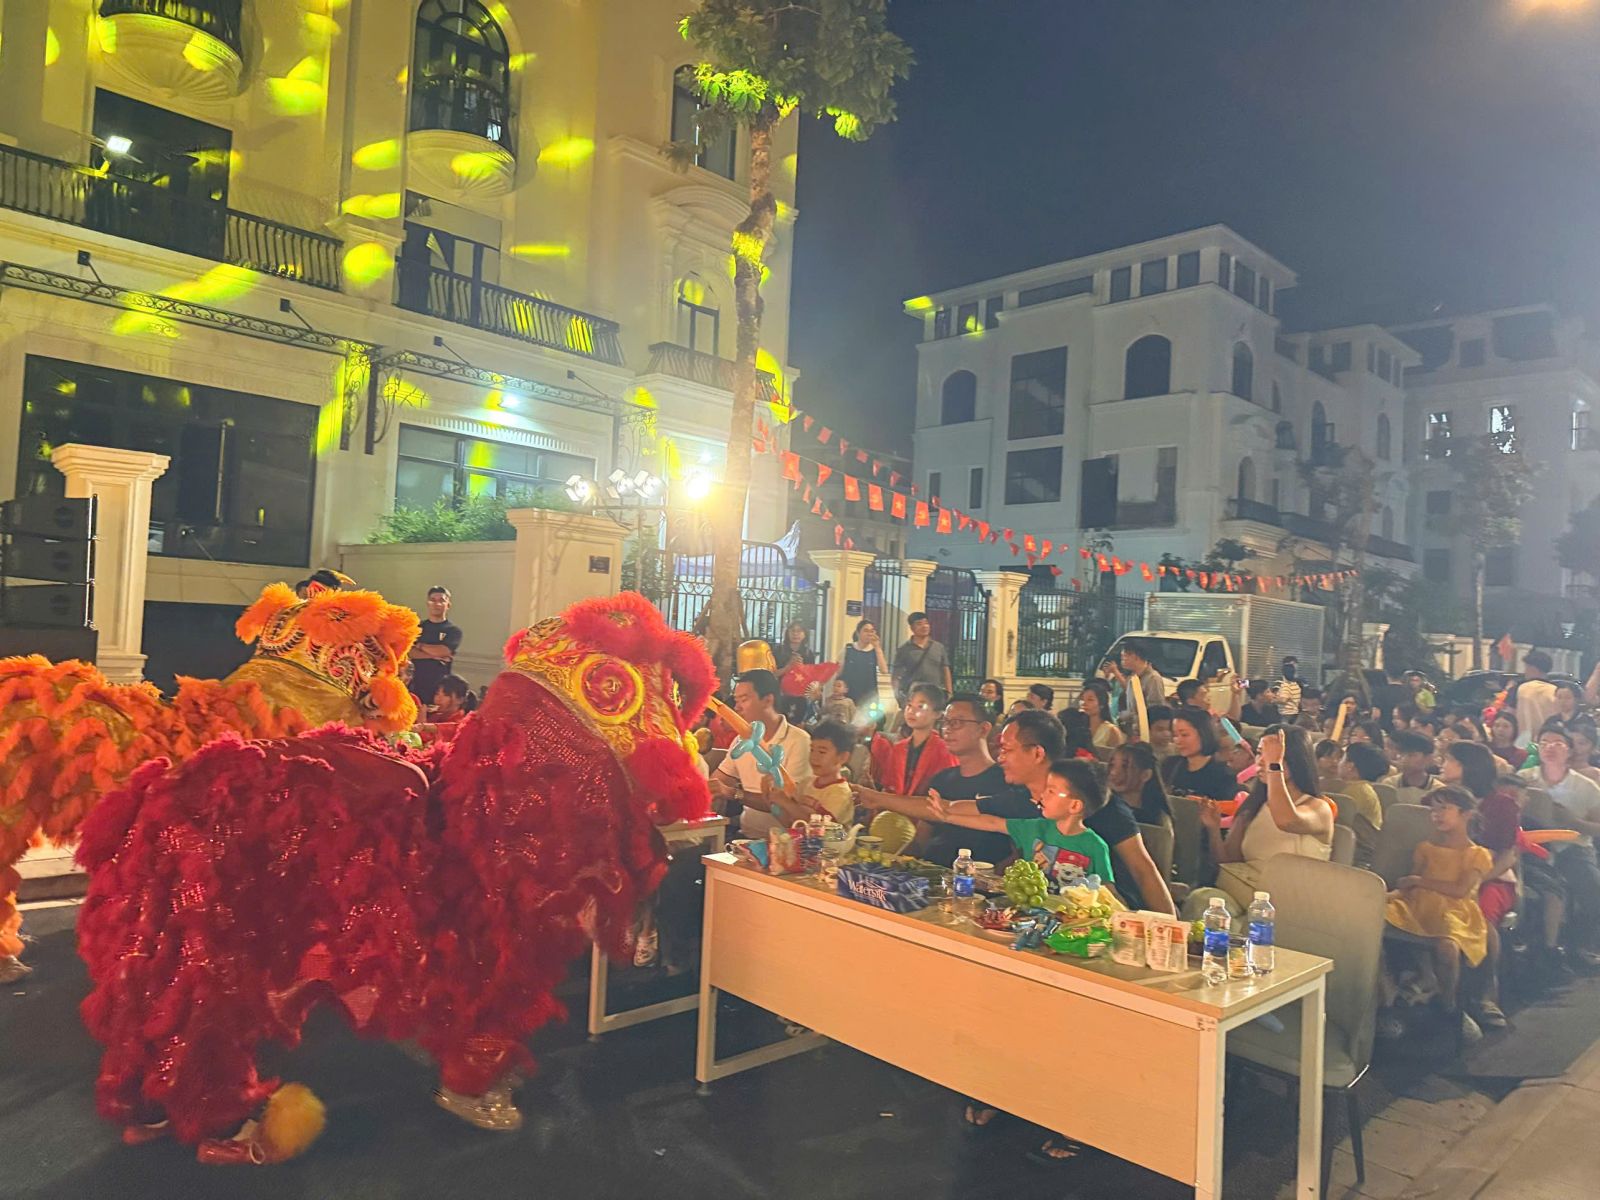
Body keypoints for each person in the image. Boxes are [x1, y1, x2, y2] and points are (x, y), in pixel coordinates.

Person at [927, 752, 1117, 1160]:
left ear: (1075, 804)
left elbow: (1107, 896)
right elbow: (992, 822)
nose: (1042, 795)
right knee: (1011, 1021)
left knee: (1060, 1035)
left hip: (1069, 948)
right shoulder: (1037, 827)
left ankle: (1067, 1120)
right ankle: (1004, 1095)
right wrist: (946, 814)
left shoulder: (1093, 845)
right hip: (1026, 938)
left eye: (1052, 790)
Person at [1188, 726, 1335, 915]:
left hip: (1287, 905)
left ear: (1297, 760)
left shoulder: (1319, 808)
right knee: (1202, 901)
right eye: (1259, 753)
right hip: (1243, 893)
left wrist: (1274, 766)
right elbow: (1228, 861)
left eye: (1273, 755)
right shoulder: (1254, 805)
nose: (1262, 761)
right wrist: (1214, 829)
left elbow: (1286, 821)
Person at [1384, 787, 1493, 1037]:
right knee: (1376, 919)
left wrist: (1419, 881)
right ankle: (1390, 995)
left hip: (1455, 909)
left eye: (1444, 808)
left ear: (1466, 814)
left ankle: (1448, 1002)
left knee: (1447, 946)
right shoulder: (1426, 847)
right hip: (1418, 904)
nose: (1437, 814)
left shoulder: (1477, 854)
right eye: (1433, 810)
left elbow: (1460, 890)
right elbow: (1409, 887)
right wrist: (1389, 894)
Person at [857, 694, 1011, 868]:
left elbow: (1017, 851)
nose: (947, 729)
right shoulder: (942, 779)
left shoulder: (1004, 781)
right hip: (931, 875)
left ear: (983, 729)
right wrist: (891, 867)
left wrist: (877, 798)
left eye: (957, 723)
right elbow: (920, 841)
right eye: (945, 722)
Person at [1518, 727, 1600, 966]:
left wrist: (1574, 823)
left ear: (1569, 751)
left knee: (1592, 888)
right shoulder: (1524, 779)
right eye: (1544, 743)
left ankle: (1581, 945)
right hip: (1531, 848)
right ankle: (1537, 944)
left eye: (1557, 743)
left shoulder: (1585, 786)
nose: (1549, 748)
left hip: (1572, 847)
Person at [1444, 742, 1512, 1028]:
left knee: (1480, 916)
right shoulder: (1441, 799)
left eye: (1449, 760)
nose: (1443, 764)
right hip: (1448, 872)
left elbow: (1508, 855)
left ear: (1467, 767)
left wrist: (1477, 879)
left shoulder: (1501, 804)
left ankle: (1486, 991)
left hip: (1492, 875)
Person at [709, 669, 813, 838]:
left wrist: (733, 793)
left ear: (767, 700)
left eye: (744, 700)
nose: (737, 708)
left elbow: (787, 801)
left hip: (787, 841)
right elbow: (719, 780)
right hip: (745, 837)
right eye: (736, 701)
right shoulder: (741, 740)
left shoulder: (799, 741)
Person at [867, 683, 956, 797]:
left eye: (920, 706)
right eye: (909, 705)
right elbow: (889, 788)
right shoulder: (899, 748)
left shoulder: (944, 751)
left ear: (937, 714)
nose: (911, 711)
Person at [765, 720, 856, 827]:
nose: (814, 757)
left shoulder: (840, 792)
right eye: (812, 750)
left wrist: (786, 802)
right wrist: (769, 796)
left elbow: (822, 828)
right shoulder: (806, 783)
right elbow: (790, 822)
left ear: (843, 757)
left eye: (822, 752)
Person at [1160, 707, 1238, 801]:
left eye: (1184, 735)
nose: (1178, 741)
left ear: (1204, 734)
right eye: (1175, 735)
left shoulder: (1223, 775)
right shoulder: (1170, 765)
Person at [1338, 741, 1389, 868]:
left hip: (1358, 856)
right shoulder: (1360, 788)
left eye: (1342, 758)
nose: (1338, 762)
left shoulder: (1358, 791)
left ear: (1350, 766)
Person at [409, 585, 462, 703]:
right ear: (428, 604)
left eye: (441, 600)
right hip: (415, 682)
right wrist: (434, 656)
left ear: (448, 605)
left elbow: (443, 651)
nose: (437, 604)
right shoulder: (417, 628)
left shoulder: (453, 631)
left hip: (439, 686)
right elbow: (409, 652)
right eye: (433, 600)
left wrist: (420, 646)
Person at [891, 611, 952, 703]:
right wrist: (898, 697)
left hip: (935, 694)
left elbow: (946, 671)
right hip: (913, 695)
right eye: (919, 624)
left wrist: (949, 693)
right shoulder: (904, 650)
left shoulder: (939, 647)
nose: (924, 626)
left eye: (926, 623)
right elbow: (896, 676)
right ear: (912, 628)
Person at [1108, 742, 1173, 828]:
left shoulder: (1160, 819)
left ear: (1145, 775)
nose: (1113, 772)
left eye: (1124, 766)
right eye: (1112, 765)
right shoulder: (1103, 809)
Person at [834, 619, 889, 717]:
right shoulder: (848, 649)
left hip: (869, 697)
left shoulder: (875, 651)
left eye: (872, 631)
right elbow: (838, 673)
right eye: (866, 631)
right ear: (858, 633)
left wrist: (877, 647)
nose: (869, 634)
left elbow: (884, 670)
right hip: (849, 697)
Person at [1509, 650, 1559, 748]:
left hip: (1522, 743)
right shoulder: (1556, 691)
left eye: (1526, 667)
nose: (1525, 671)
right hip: (1548, 743)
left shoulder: (1519, 688)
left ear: (1533, 668)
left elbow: (1510, 715)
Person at [1107, 637, 1169, 715]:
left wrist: (1127, 716)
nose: (1122, 660)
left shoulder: (1153, 678)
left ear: (1136, 657)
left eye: (1125, 656)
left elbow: (1156, 711)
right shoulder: (1133, 677)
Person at [1388, 730, 1443, 806]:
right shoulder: (1389, 785)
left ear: (1428, 758)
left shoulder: (1438, 791)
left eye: (1411, 755)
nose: (1404, 759)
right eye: (1402, 754)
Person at [1078, 678, 1124, 751]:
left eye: (1090, 700)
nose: (1084, 703)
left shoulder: (1111, 730)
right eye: (1082, 699)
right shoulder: (1079, 727)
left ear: (1101, 704)